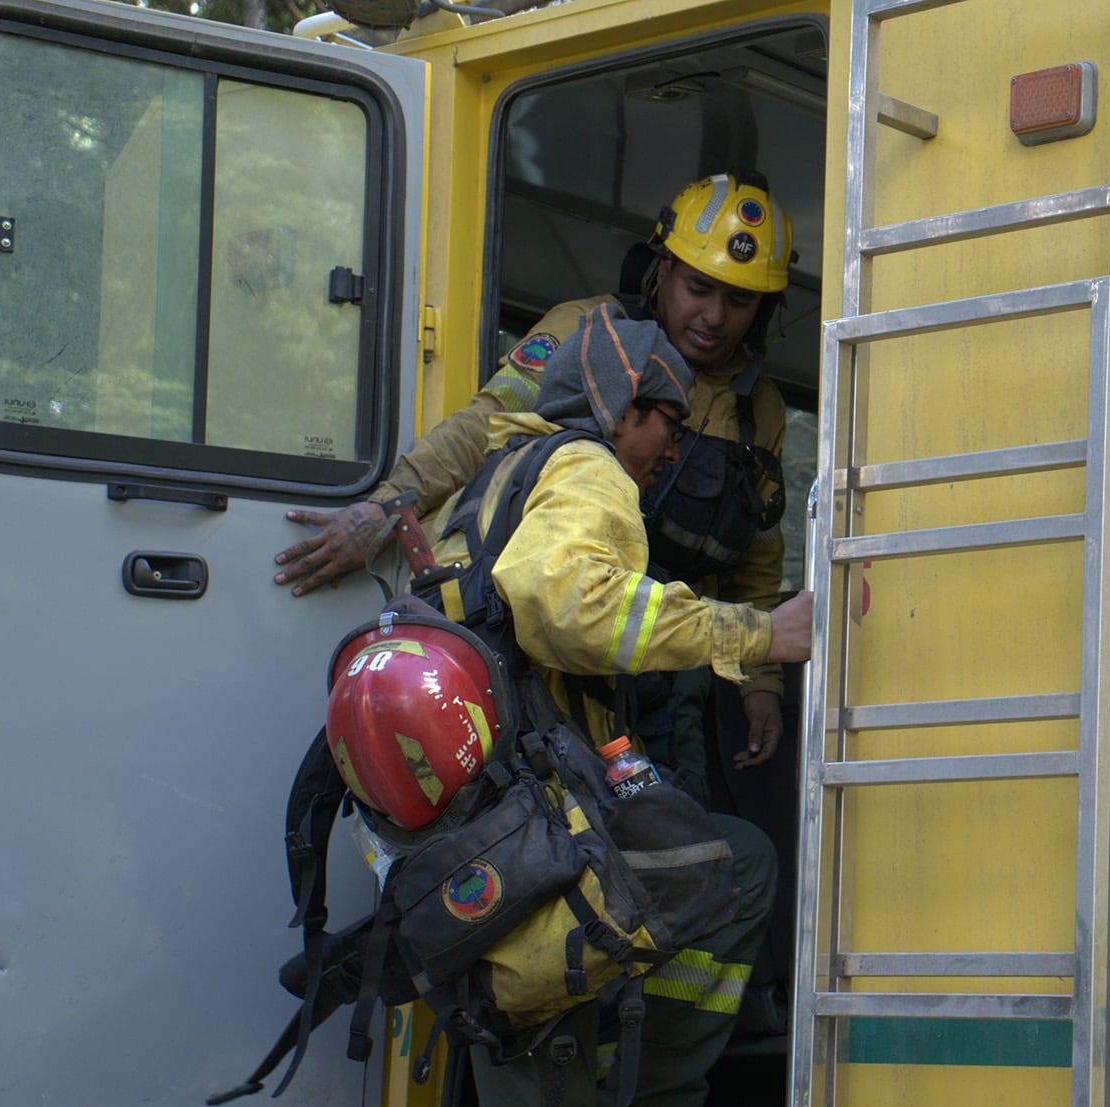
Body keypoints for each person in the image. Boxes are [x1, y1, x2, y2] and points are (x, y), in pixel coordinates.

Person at [434, 305, 812, 1107]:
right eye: (667, 422)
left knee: (733, 861)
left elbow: (536, 669)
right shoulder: (583, 470)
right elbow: (569, 605)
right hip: (531, 864)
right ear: (617, 406)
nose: (675, 447)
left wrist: (640, 782)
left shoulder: (490, 486)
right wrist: (755, 635)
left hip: (493, 842)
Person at [276, 171, 798, 775]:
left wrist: (761, 683)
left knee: (673, 828)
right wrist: (386, 507)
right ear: (662, 271)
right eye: (699, 288)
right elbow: (485, 426)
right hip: (558, 660)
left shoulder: (760, 411)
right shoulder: (590, 338)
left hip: (678, 666)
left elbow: (759, 554)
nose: (714, 316)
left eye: (739, 301)